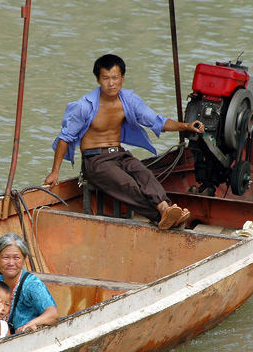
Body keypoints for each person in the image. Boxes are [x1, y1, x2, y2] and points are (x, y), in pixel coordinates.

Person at [43, 53, 205, 229]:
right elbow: (65, 138)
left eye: (115, 78)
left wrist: (187, 126)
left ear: (123, 78)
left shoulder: (129, 101)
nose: (111, 83)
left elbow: (157, 122)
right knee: (127, 184)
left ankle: (165, 208)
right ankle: (161, 217)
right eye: (106, 78)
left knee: (144, 174)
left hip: (119, 154)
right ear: (98, 79)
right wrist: (55, 172)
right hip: (95, 160)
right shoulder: (84, 106)